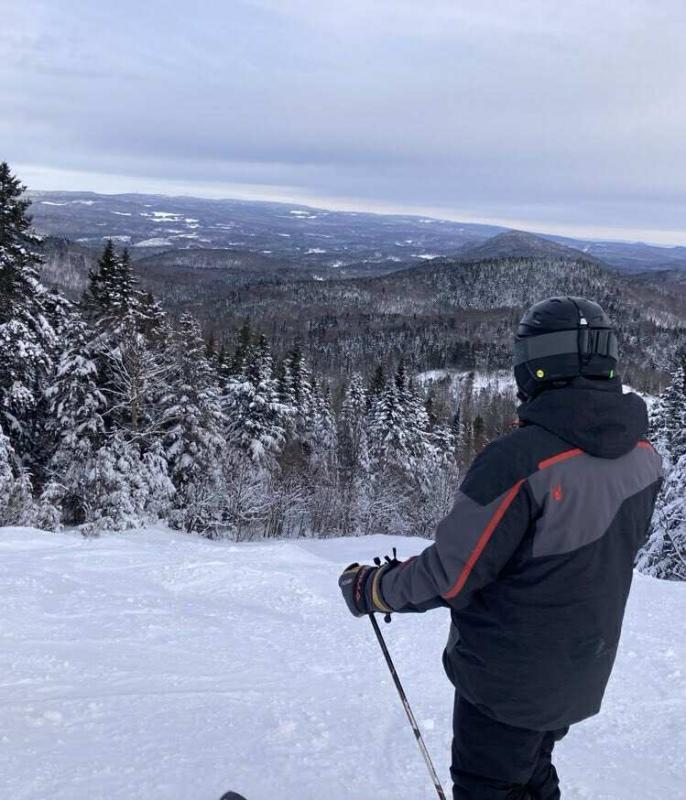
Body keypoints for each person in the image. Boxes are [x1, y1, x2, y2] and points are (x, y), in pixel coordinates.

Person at [338, 296, 664, 800]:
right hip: (578, 668)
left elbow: (452, 573)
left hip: (507, 682)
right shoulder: (644, 458)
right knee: (532, 771)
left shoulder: (519, 461)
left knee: (489, 784)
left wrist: (374, 589)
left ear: (533, 364)